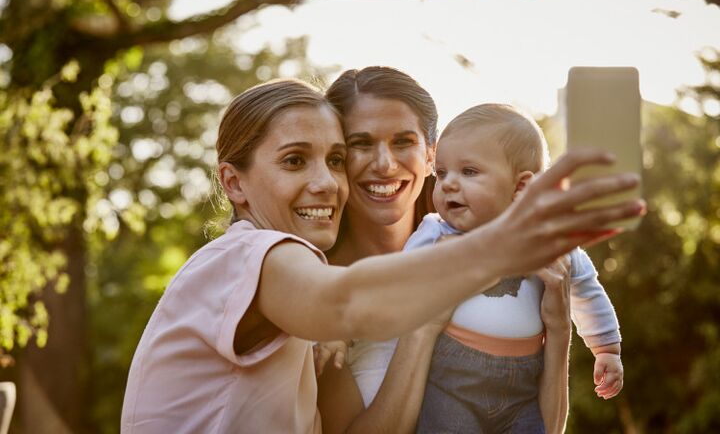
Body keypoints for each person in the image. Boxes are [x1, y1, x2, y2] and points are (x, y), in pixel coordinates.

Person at [120, 77, 643, 433]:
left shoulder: (307, 284)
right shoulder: (250, 256)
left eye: (334, 159)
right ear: (234, 183)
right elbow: (342, 305)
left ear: (430, 154)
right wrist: (503, 242)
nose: (325, 182)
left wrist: (557, 331)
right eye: (295, 161)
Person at [316, 67, 631, 433]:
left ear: (429, 154)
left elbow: (548, 425)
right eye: (361, 143)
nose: (385, 164)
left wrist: (567, 332)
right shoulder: (320, 288)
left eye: (403, 141)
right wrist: (364, 324)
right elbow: (388, 287)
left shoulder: (537, 242)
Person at [409, 104, 624, 433]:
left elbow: (585, 287)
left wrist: (606, 348)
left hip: (523, 386)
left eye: (468, 172)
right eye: (442, 173)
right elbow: (392, 280)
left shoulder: (549, 238)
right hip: (451, 379)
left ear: (521, 187)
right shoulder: (436, 232)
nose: (449, 184)